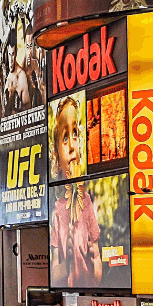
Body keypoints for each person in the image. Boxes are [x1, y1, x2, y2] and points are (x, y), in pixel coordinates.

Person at [49, 96, 103, 288]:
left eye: (75, 134)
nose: (72, 146)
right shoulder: (57, 208)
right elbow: (54, 275)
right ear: (56, 152)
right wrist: (67, 261)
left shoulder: (87, 201)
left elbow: (98, 263)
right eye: (65, 138)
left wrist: (91, 260)